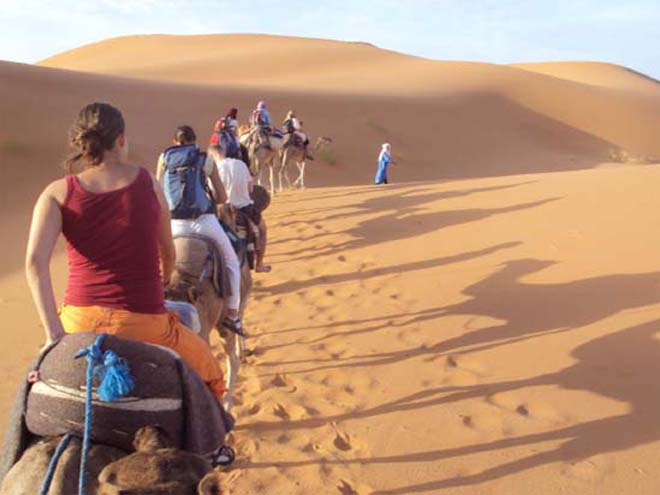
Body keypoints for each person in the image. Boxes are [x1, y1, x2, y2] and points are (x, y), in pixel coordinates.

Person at [25, 102, 226, 400]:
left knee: (28, 395)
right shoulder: (147, 183)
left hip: (77, 324)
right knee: (213, 379)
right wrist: (163, 281)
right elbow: (168, 253)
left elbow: (34, 264)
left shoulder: (56, 192)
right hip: (144, 325)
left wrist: (54, 335)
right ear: (121, 140)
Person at [156, 125, 246, 336]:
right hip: (203, 222)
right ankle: (232, 315)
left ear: (175, 141)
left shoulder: (164, 158)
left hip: (172, 224)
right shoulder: (204, 158)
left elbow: (158, 190)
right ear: (194, 140)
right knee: (232, 261)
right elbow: (222, 197)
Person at [210, 148, 271, 273]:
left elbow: (213, 193)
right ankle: (259, 264)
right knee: (263, 231)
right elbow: (250, 188)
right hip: (246, 208)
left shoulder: (215, 169)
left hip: (223, 210)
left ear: (212, 156)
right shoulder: (241, 164)